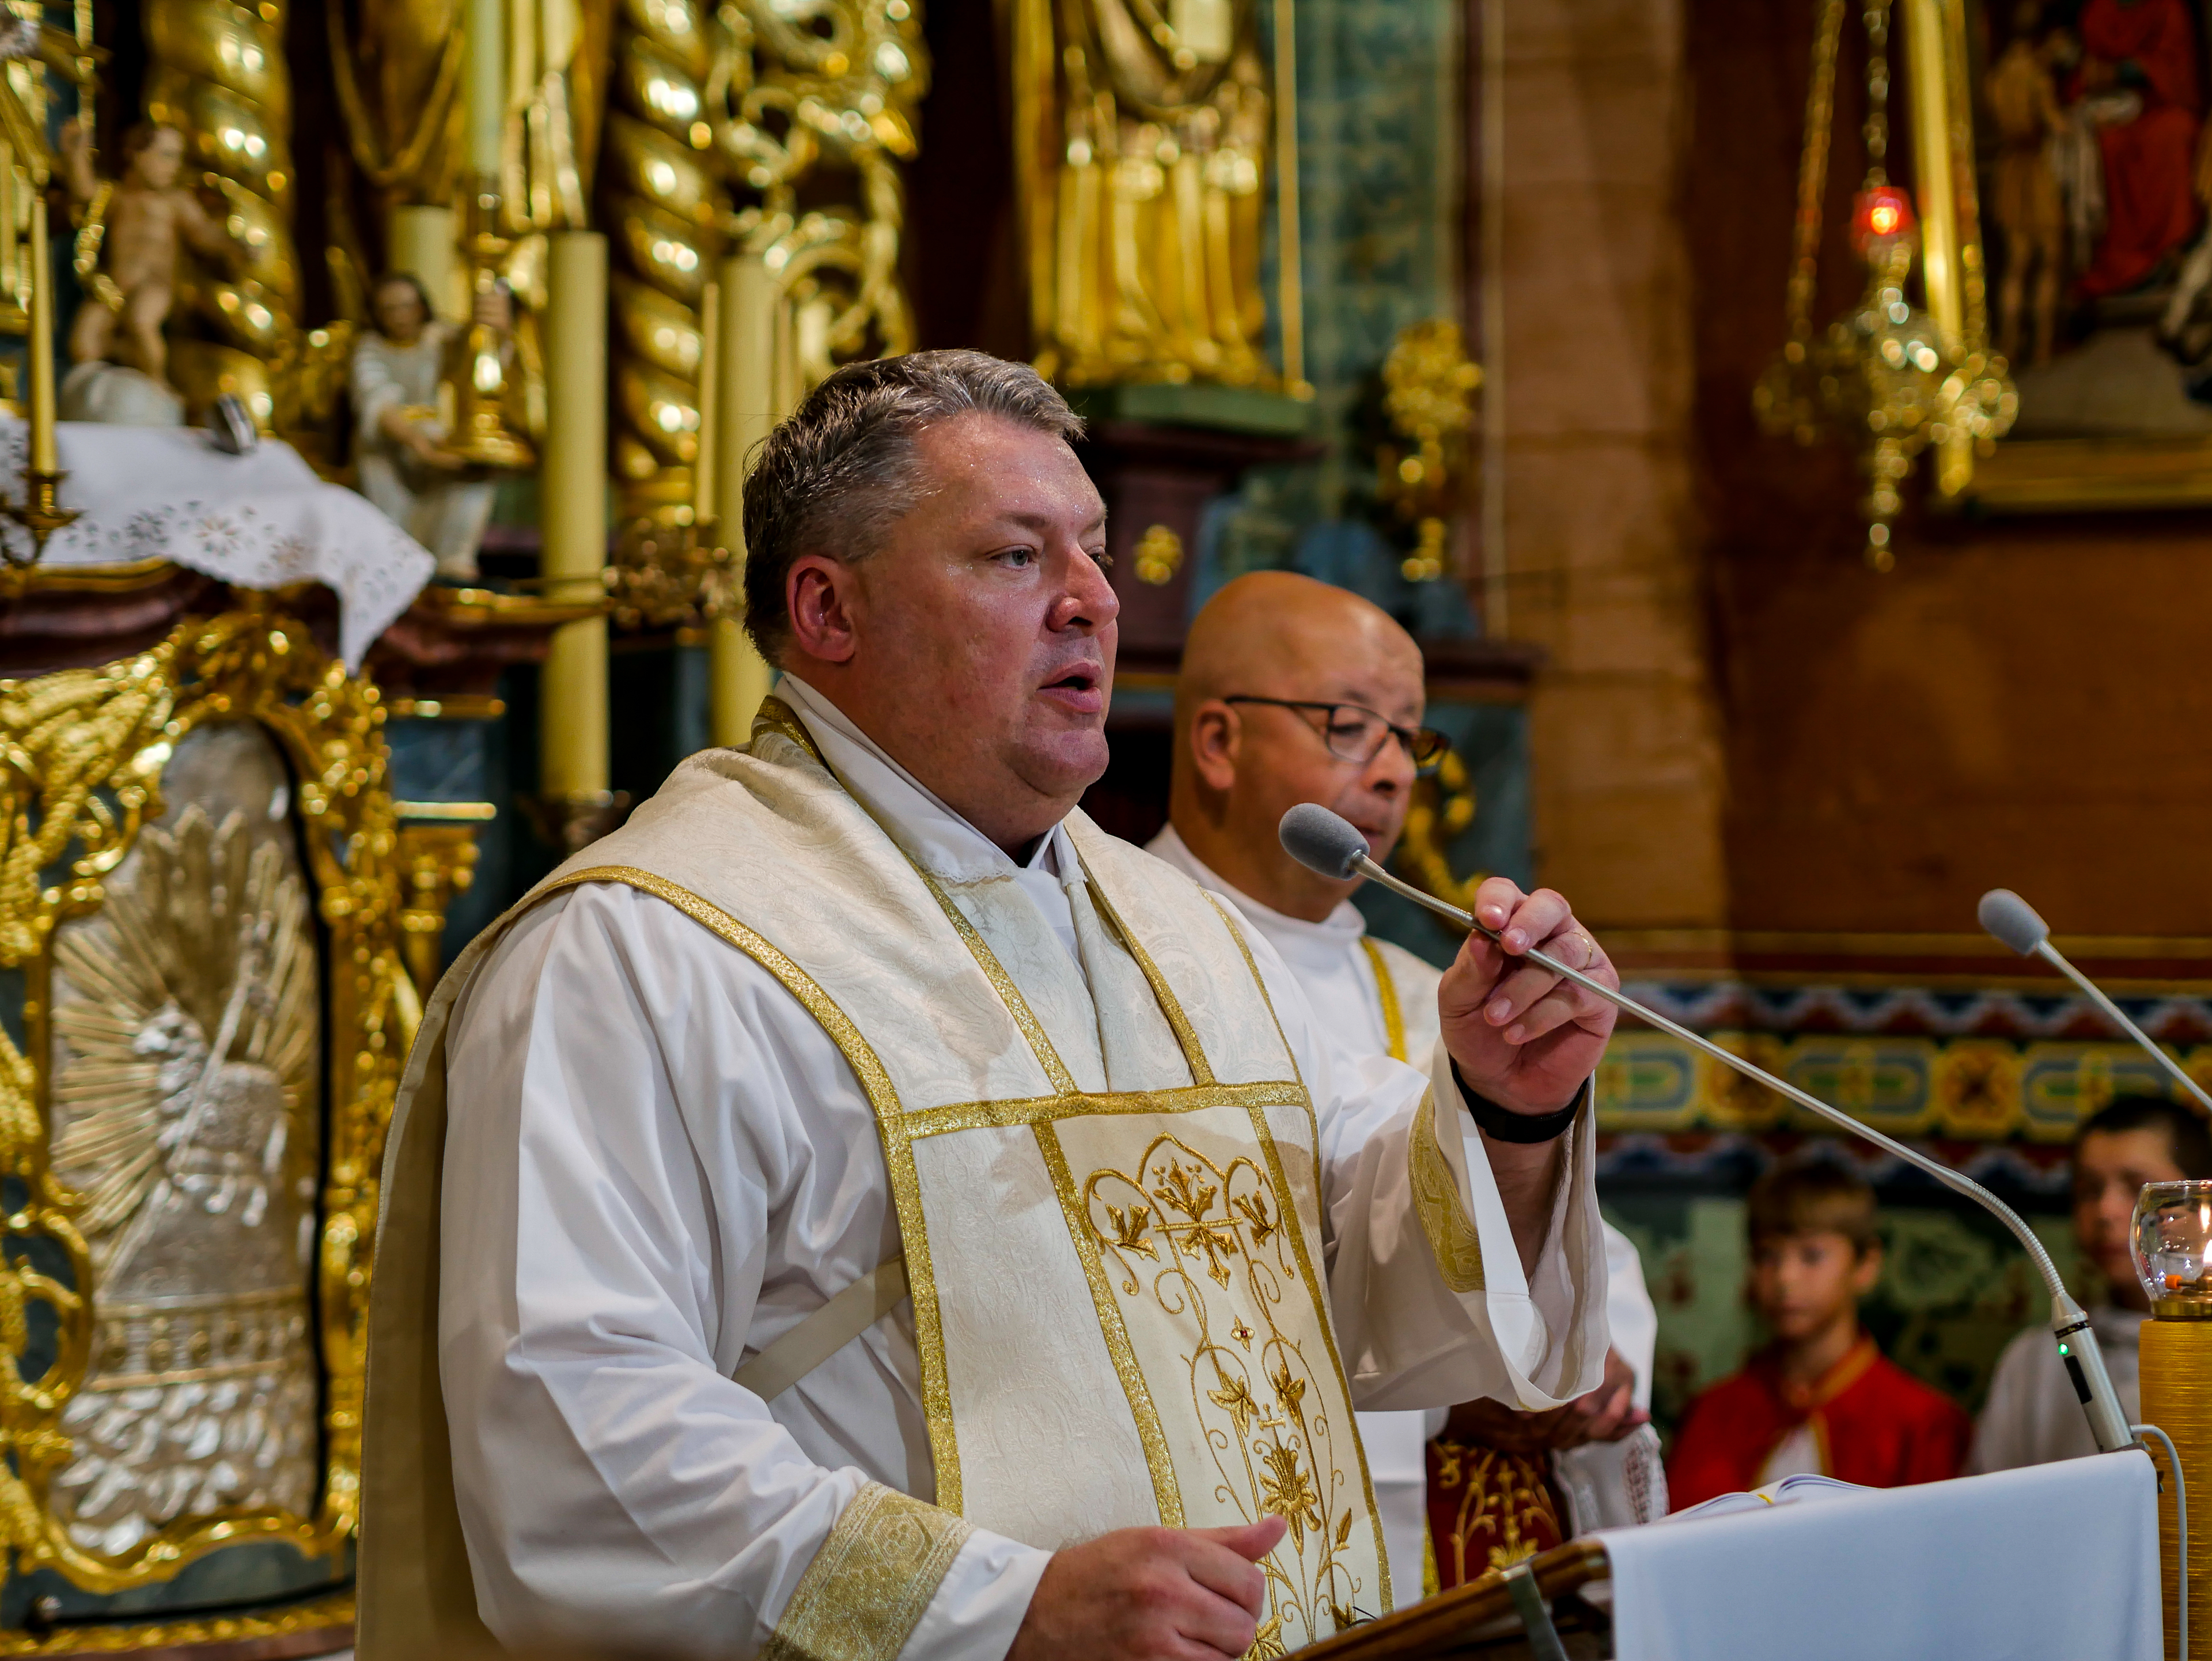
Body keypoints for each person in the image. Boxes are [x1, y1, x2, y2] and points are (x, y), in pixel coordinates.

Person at [361, 351, 1619, 1661]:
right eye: (1016, 556)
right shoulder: (650, 949)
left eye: (1092, 551)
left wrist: (1506, 1103)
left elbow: (1362, 1278)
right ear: (827, 609)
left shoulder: (1182, 932)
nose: (1090, 599)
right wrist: (1002, 1608)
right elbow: (574, 1429)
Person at [1145, 570, 1664, 1594]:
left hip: (1449, 1559)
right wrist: (1455, 1366)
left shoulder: (1441, 997)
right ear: (1217, 741)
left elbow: (1594, 1255)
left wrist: (1577, 1362)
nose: (1390, 775)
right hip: (1218, 1549)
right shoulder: (1114, 973)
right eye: (1349, 726)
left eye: (1410, 740)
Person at [1666, 1159, 1971, 1508]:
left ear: (1866, 1265)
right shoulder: (1713, 1414)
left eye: (1812, 1256)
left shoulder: (1923, 1424)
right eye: (1767, 1256)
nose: (1785, 1279)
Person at [1973, 1094, 2212, 1471]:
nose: (2105, 1211)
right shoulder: (2035, 1359)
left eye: (2138, 1188)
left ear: (2201, 1202)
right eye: (2089, 1189)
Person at [57, 121, 240, 405]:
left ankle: (158, 383)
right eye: (166, 155)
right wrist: (75, 154)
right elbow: (85, 193)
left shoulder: (176, 202)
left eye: (178, 157)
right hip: (114, 286)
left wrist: (233, 244)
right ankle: (94, 394)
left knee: (141, 322)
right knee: (83, 342)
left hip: (154, 285)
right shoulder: (118, 196)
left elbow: (202, 233)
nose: (174, 166)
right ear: (136, 154)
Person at [349, 271, 506, 580]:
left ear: (422, 307)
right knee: (386, 500)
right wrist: (417, 443)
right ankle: (397, 560)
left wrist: (495, 331)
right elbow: (377, 407)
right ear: (376, 314)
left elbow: (478, 365)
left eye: (407, 306)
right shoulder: (369, 349)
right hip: (392, 451)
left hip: (441, 443)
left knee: (473, 481)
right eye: (389, 309)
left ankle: (454, 559)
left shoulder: (442, 338)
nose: (400, 317)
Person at [2073, 0, 2203, 299]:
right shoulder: (2098, 11)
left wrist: (2130, 70)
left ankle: (2173, 249)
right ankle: (2124, 259)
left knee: (2176, 132)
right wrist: (2094, 78)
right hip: (2116, 111)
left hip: (2161, 103)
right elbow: (2084, 69)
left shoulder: (2169, 7)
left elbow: (2179, 67)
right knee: (2106, 146)